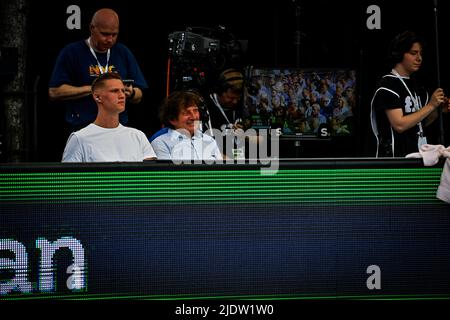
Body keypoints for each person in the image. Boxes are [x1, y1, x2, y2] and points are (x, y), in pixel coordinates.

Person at [49, 8, 148, 131]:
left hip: (117, 127)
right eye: (105, 34)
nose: (110, 40)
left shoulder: (122, 52)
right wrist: (95, 89)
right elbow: (54, 91)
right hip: (83, 126)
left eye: (114, 34)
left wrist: (131, 92)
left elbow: (140, 94)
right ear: (92, 28)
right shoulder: (72, 52)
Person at [370, 30, 449, 157]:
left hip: (419, 156)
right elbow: (399, 125)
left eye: (421, 54)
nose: (419, 58)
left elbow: (420, 122)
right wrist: (431, 106)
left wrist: (437, 111)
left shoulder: (419, 86)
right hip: (395, 160)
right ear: (400, 54)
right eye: (413, 53)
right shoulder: (387, 85)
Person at [62, 72, 156, 162]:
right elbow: (69, 177)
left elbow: (150, 176)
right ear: (97, 97)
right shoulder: (79, 138)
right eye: (114, 91)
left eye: (123, 91)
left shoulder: (138, 136)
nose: (122, 96)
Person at [149, 91, 223, 161]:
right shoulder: (161, 143)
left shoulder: (209, 140)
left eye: (195, 110)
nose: (194, 117)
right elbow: (166, 173)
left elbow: (220, 170)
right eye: (186, 113)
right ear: (172, 119)